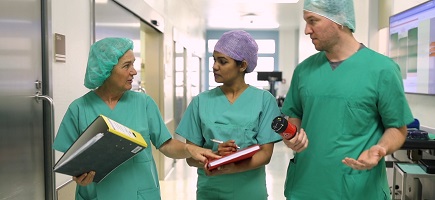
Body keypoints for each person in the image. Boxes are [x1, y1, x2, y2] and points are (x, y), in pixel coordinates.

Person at [53, 37, 220, 200]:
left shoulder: (143, 103)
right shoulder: (79, 108)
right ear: (106, 70)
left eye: (133, 64)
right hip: (97, 194)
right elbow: (72, 161)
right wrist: (79, 176)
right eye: (126, 66)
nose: (133, 71)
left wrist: (188, 149)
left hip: (139, 191)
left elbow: (165, 144)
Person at [280, 0, 414, 199]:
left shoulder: (382, 70)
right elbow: (295, 115)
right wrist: (292, 137)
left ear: (339, 20)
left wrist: (381, 148)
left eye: (313, 21)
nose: (307, 30)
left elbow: (397, 127)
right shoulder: (304, 71)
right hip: (306, 187)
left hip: (357, 189)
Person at [175, 30, 283, 200]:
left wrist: (232, 167)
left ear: (242, 66)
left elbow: (265, 154)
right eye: (214, 60)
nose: (215, 66)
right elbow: (191, 157)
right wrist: (215, 156)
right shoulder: (200, 102)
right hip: (210, 191)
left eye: (223, 61)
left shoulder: (264, 100)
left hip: (250, 191)